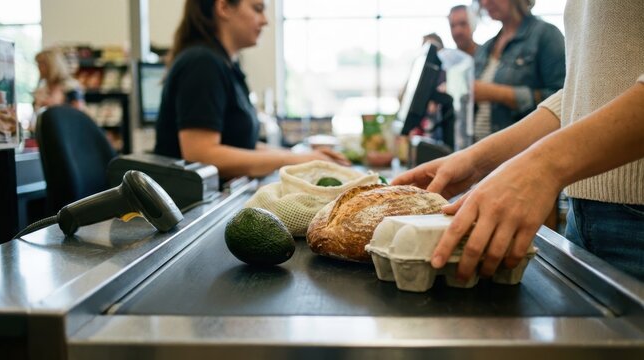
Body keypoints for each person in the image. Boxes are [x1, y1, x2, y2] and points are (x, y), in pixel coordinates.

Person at [392, 1, 644, 281]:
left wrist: (543, 166)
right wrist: (476, 159)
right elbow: (576, 99)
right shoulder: (489, 46)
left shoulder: (542, 35)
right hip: (582, 213)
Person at [154, 0, 349, 179]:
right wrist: (294, 160)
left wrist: (304, 157)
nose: (265, 21)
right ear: (224, 8)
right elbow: (202, 154)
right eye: (257, 9)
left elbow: (241, 147)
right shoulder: (201, 63)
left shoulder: (226, 65)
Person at [472, 0, 564, 142]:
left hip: (523, 152)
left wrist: (497, 93)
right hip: (481, 149)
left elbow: (563, 98)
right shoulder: (485, 48)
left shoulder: (546, 35)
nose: (485, 2)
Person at [32, 48, 85, 114]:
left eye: (41, 64)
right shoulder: (42, 88)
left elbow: (78, 114)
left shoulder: (71, 87)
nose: (39, 68)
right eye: (38, 64)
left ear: (51, 66)